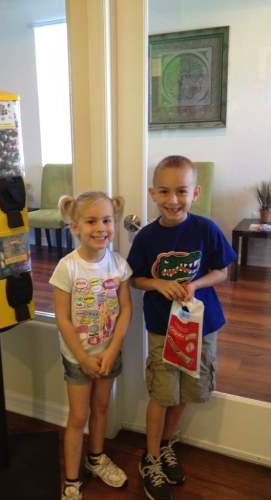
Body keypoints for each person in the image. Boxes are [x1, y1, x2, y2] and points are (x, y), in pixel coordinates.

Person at [127, 155, 236, 500]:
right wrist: (158, 285)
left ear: (195, 193)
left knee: (187, 390)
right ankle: (151, 458)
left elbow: (223, 271)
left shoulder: (206, 229)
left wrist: (197, 283)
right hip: (162, 327)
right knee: (162, 392)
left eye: (181, 191)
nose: (173, 200)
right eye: (164, 191)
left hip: (202, 326)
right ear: (152, 193)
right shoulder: (145, 237)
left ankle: (165, 444)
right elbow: (136, 280)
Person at [49, 191, 132, 500]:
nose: (101, 228)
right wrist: (82, 357)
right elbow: (61, 317)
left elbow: (126, 310)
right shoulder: (67, 268)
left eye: (107, 220)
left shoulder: (119, 266)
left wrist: (111, 351)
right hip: (78, 359)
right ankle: (71, 480)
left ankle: (96, 458)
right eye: (91, 221)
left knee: (101, 408)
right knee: (77, 417)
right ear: (75, 227)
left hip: (108, 355)